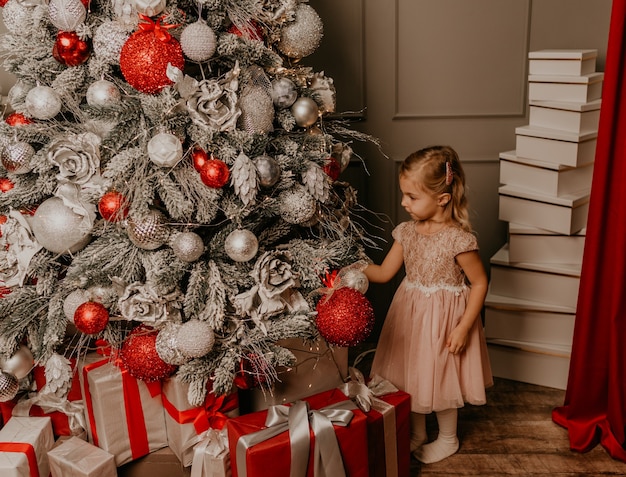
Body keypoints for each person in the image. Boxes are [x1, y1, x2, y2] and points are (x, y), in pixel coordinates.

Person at [363, 145, 493, 464]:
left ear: (442, 198)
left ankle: (448, 438)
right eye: (403, 194)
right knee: (412, 375)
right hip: (409, 315)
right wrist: (351, 264)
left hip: (445, 320)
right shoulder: (406, 232)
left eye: (411, 196)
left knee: (442, 375)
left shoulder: (457, 239)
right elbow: (383, 273)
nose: (404, 203)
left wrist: (464, 327)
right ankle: (418, 433)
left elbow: (479, 283)